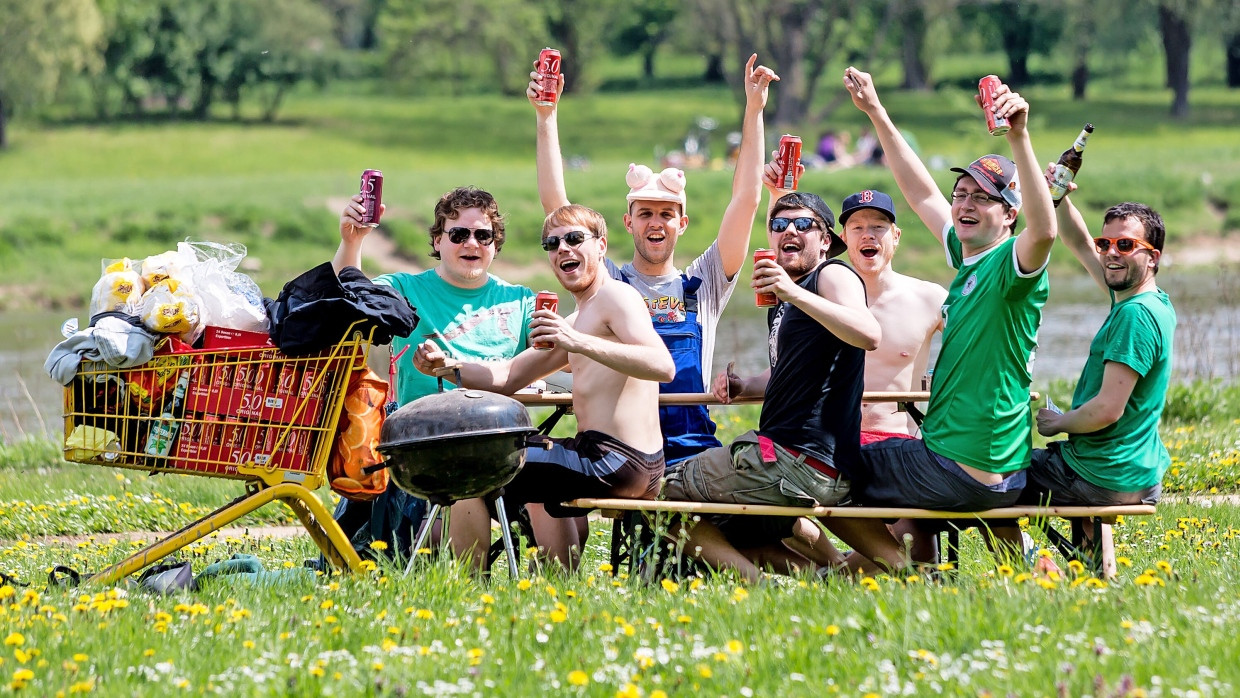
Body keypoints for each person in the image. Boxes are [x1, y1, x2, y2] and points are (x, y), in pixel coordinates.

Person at [843, 66, 1057, 561]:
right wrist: (876, 111)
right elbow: (919, 193)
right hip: (981, 464)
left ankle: (890, 571)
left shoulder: (1012, 267)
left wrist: (1020, 136)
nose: (965, 203)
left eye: (983, 198)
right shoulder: (969, 258)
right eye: (962, 194)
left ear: (1010, 215)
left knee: (821, 465)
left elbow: (1044, 233)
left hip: (960, 468)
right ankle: (1013, 556)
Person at [529, 54, 777, 467]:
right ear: (628, 222)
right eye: (645, 214)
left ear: (682, 223)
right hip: (624, 447)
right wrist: (546, 116)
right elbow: (557, 206)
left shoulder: (705, 283)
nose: (655, 223)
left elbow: (746, 200)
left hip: (692, 444)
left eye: (666, 214)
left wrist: (754, 110)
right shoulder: (608, 282)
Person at [413, 204, 675, 572]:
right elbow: (508, 377)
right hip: (603, 455)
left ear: (601, 246)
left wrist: (577, 342)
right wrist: (449, 366)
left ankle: (472, 583)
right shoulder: (576, 318)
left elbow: (662, 366)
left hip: (620, 459)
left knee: (470, 465)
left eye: (573, 239)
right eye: (552, 244)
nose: (562, 249)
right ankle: (553, 583)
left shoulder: (617, 297)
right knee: (526, 453)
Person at [661, 190, 893, 584]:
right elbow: (784, 375)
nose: (790, 230)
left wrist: (791, 292)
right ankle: (845, 575)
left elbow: (869, 334)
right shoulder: (787, 300)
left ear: (825, 240)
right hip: (824, 468)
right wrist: (742, 385)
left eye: (804, 224)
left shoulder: (831, 275)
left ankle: (758, 585)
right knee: (893, 562)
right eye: (779, 225)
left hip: (791, 459)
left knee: (659, 493)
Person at [329, 186, 535, 562]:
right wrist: (352, 240)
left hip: (501, 439)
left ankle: (551, 586)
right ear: (438, 241)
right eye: (458, 234)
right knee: (463, 484)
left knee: (547, 485)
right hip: (424, 442)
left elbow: (553, 362)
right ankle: (469, 593)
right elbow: (350, 298)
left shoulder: (521, 300)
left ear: (494, 244)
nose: (471, 242)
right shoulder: (405, 289)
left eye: (483, 235)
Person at [1025, 194, 1174, 507]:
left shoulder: (1135, 315)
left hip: (1100, 474)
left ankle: (1022, 553)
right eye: (1105, 243)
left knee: (988, 478)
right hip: (1136, 473)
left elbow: (1108, 409)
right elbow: (1079, 243)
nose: (1110, 253)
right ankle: (1092, 557)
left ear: (1153, 257)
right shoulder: (1146, 300)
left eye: (1125, 245)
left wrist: (1059, 423)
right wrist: (1059, 198)